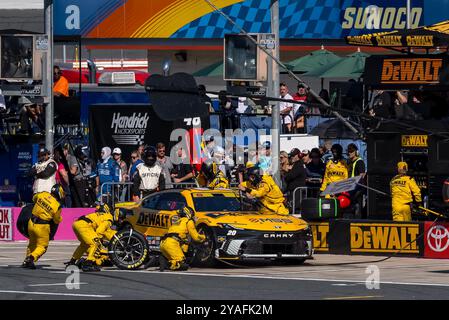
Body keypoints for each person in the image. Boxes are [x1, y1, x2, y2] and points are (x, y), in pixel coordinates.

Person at [22, 184, 65, 269]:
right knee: (42, 247)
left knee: (32, 244)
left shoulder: (43, 194)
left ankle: (26, 261)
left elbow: (34, 198)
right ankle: (31, 258)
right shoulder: (57, 205)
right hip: (42, 226)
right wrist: (61, 219)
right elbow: (56, 220)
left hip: (31, 223)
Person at [66, 203, 116, 272]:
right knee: (97, 244)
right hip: (85, 226)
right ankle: (88, 264)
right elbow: (99, 231)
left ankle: (72, 262)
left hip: (76, 224)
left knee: (84, 245)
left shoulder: (98, 215)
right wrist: (101, 240)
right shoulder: (108, 217)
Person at [159, 206, 206, 271]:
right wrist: (204, 237)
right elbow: (196, 237)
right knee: (183, 265)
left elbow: (182, 239)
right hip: (171, 244)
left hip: (163, 244)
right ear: (189, 213)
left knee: (173, 259)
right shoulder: (189, 221)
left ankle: (162, 259)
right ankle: (164, 263)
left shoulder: (177, 222)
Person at [346, 143, 366, 218]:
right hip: (350, 188)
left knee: (357, 208)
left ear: (356, 152)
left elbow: (362, 175)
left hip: (357, 189)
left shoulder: (359, 162)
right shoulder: (349, 162)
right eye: (348, 151)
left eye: (351, 151)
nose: (349, 153)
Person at [284, 148, 307, 214]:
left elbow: (290, 176)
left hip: (297, 191)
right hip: (294, 191)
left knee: (295, 209)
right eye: (291, 156)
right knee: (292, 208)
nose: (292, 157)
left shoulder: (299, 164)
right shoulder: (297, 164)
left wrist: (287, 172)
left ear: (299, 155)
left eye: (293, 156)